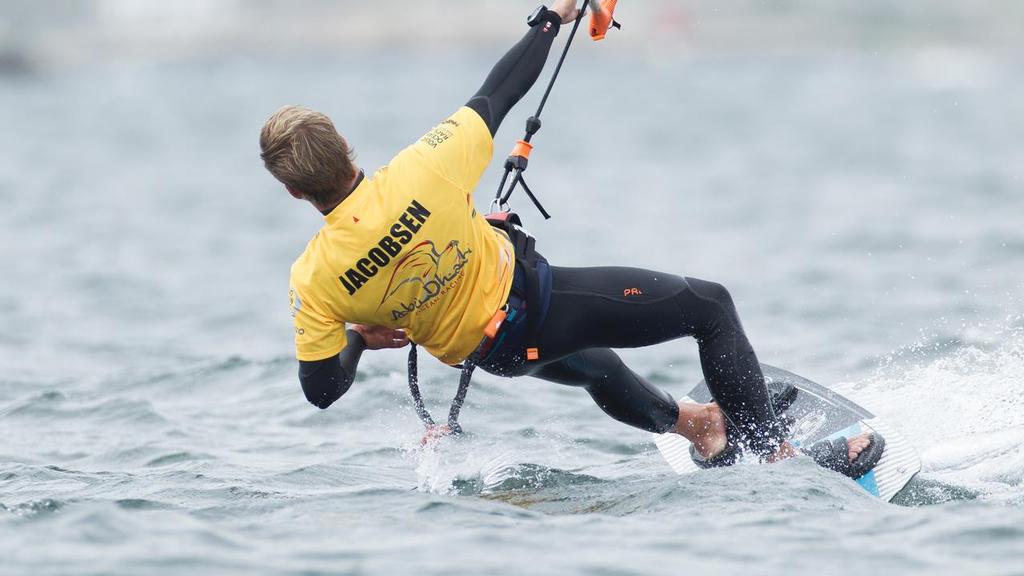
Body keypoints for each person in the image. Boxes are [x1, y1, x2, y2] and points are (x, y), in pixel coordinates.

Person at [260, 1, 883, 475]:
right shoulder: (422, 169)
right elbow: (500, 92)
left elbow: (320, 391)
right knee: (710, 306)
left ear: (295, 193)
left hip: (495, 354)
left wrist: (357, 340)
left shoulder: (313, 280)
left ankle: (705, 430)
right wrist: (555, 12)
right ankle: (776, 454)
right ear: (347, 148)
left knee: (598, 369)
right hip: (537, 307)